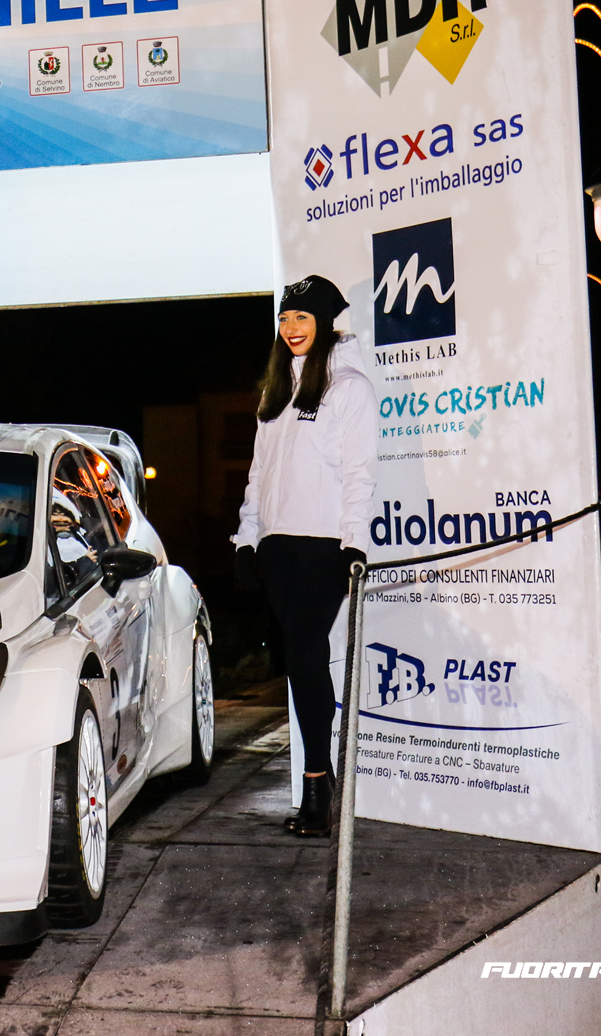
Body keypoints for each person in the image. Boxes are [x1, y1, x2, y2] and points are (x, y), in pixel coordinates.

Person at [231, 275, 377, 837]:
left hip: (324, 546)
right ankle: (321, 779)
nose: (292, 328)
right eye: (286, 319)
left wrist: (354, 543)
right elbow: (258, 475)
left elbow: (360, 473)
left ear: (324, 322)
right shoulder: (275, 392)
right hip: (277, 546)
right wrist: (247, 539)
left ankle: (318, 786)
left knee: (306, 656)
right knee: (300, 659)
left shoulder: (348, 387)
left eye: (302, 318)